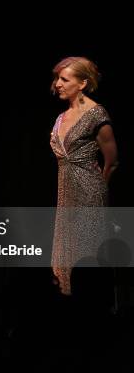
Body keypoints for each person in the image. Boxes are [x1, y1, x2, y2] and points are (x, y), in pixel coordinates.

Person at [49, 57, 118, 295]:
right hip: (65, 194)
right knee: (66, 256)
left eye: (65, 79)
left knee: (86, 256)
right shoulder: (61, 117)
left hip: (89, 194)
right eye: (57, 78)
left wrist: (98, 194)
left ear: (82, 83)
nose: (58, 83)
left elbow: (112, 161)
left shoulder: (96, 114)